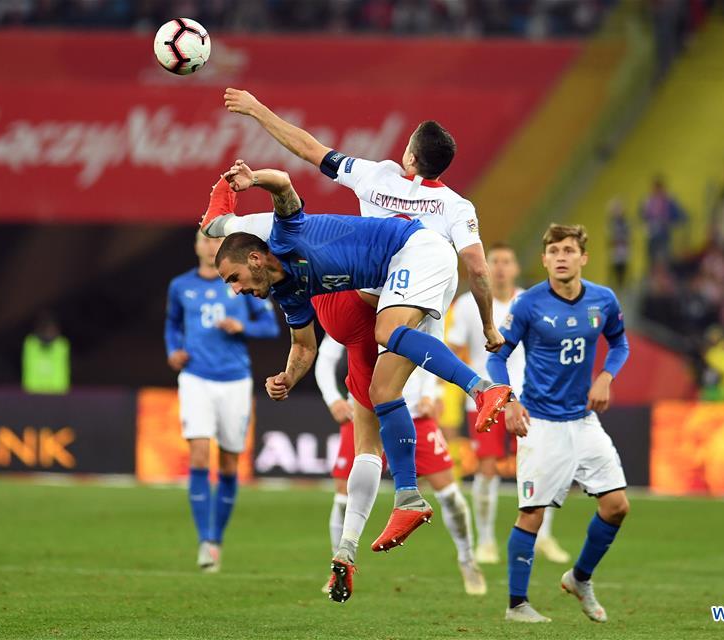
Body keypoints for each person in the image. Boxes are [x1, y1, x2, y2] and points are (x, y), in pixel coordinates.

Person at [211, 162, 511, 560]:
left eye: (233, 280)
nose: (235, 291)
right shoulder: (290, 294)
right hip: (367, 327)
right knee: (376, 410)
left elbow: (279, 183)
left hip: (412, 260)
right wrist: (286, 377)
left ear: (253, 258)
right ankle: (366, 534)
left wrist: (245, 175)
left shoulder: (284, 234)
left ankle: (483, 389)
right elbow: (304, 347)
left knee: (387, 340)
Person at [488, 224, 630, 624]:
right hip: (542, 423)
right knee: (532, 514)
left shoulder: (603, 300)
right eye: (554, 251)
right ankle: (517, 604)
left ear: (583, 257)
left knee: (617, 506)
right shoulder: (529, 304)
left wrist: (605, 376)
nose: (562, 256)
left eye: (569, 250)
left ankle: (579, 578)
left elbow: (620, 342)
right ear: (545, 259)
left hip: (583, 423)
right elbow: (497, 357)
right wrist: (508, 400)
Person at [316, 334, 486, 597]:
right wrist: (332, 399)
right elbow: (326, 359)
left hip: (415, 413)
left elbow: (431, 344)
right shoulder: (354, 300)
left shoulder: (406, 304)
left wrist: (431, 393)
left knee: (450, 494)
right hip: (364, 413)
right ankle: (338, 565)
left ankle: (467, 559)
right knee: (342, 497)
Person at [164, 230, 280, 572]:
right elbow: (172, 325)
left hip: (234, 380)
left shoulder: (239, 281)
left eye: (215, 239)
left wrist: (241, 325)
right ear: (196, 245)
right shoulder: (180, 286)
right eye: (204, 239)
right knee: (199, 452)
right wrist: (173, 351)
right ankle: (205, 542)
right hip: (196, 378)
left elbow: (269, 326)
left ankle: (216, 537)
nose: (209, 244)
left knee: (229, 462)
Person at [447, 243, 570, 565]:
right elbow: (454, 350)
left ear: (516, 268)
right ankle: (486, 541)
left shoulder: (530, 303)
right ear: (485, 266)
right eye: (495, 261)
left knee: (539, 468)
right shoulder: (464, 304)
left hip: (527, 398)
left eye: (507, 261)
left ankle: (543, 537)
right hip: (486, 398)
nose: (500, 267)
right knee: (486, 469)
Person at [22, 312, 70, 394]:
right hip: (34, 392)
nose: (48, 333)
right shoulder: (31, 344)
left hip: (57, 393)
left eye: (51, 330)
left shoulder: (61, 346)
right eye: (46, 330)